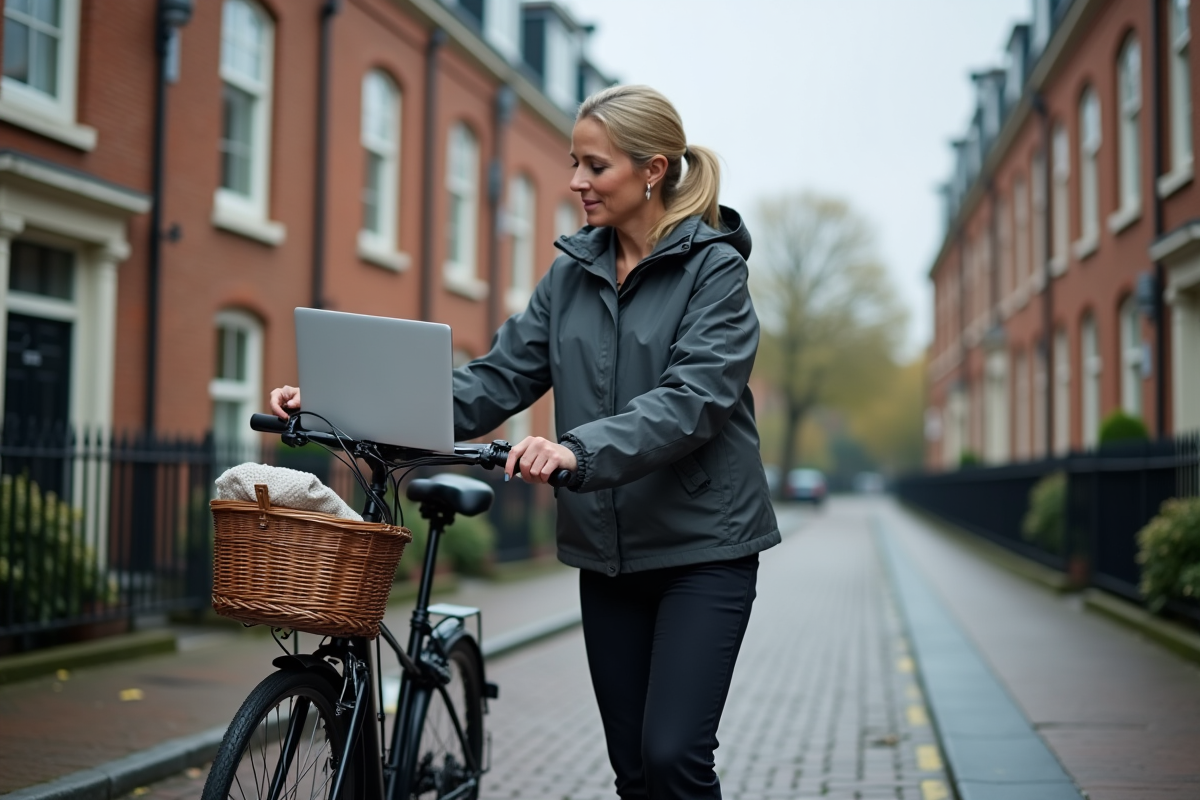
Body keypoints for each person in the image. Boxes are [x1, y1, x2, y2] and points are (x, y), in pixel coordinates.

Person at [269, 84, 779, 800]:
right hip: (607, 555)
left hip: (704, 550)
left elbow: (694, 399)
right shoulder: (573, 273)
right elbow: (495, 379)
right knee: (634, 771)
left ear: (653, 170)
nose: (576, 182)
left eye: (595, 166)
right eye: (575, 163)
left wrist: (577, 449)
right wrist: (337, 403)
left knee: (672, 758)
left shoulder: (714, 270)